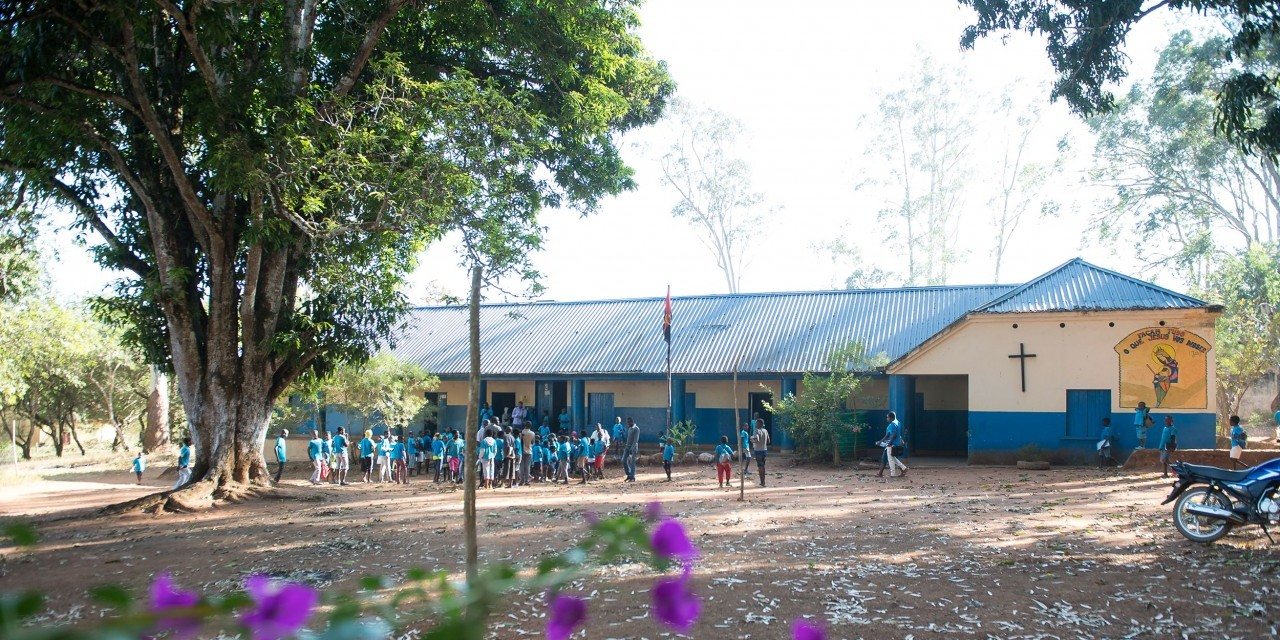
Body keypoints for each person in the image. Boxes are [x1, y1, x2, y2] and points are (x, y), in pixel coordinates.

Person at [876, 412, 907, 478]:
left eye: (887, 417)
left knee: (891, 459)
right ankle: (903, 468)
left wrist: (888, 443)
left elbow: (893, 435)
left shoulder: (892, 425)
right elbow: (890, 435)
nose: (887, 419)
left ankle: (893, 474)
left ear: (891, 418)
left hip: (891, 444)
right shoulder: (898, 423)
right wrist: (881, 441)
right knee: (889, 458)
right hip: (894, 444)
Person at [751, 420, 771, 487]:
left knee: (760, 466)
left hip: (758, 450)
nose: (756, 424)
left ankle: (762, 482)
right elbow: (768, 441)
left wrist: (751, 440)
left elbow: (757, 440)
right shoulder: (765, 431)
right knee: (763, 466)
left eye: (756, 423)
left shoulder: (756, 430)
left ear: (759, 424)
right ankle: (763, 482)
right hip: (764, 450)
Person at [623, 417, 640, 482]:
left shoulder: (636, 429)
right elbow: (628, 439)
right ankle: (629, 474)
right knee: (623, 460)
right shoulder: (630, 429)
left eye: (628, 423)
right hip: (627, 447)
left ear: (631, 422)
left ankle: (632, 477)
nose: (627, 424)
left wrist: (632, 448)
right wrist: (627, 445)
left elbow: (635, 440)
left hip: (633, 448)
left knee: (632, 462)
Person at [520, 422, 535, 486]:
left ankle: (522, 480)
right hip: (529, 450)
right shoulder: (532, 433)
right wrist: (530, 446)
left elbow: (520, 441)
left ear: (525, 425)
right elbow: (533, 442)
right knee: (527, 466)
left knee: (522, 466)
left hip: (522, 450)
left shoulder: (522, 432)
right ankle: (526, 480)